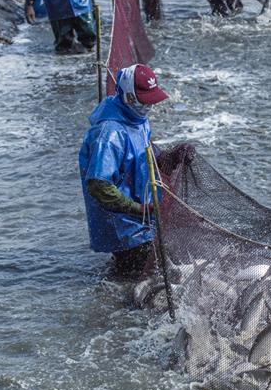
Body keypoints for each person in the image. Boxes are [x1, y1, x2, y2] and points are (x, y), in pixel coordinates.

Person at [79, 64, 193, 278]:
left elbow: (148, 157)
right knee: (141, 278)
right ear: (129, 96)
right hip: (124, 227)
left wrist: (174, 156)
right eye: (144, 100)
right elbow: (98, 185)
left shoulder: (137, 119)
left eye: (152, 99)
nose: (149, 105)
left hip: (143, 219)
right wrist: (138, 209)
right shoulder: (109, 134)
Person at [24, 0, 96, 54]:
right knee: (63, 46)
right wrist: (29, 4)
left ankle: (89, 63)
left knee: (89, 40)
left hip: (82, 1)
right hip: (58, 5)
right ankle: (62, 65)